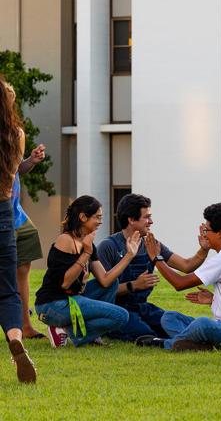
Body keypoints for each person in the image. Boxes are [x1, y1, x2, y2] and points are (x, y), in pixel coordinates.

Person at [136, 203, 221, 352]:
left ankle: (165, 344)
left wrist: (156, 258)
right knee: (169, 317)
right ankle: (199, 345)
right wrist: (215, 300)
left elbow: (180, 283)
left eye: (207, 230)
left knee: (202, 323)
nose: (204, 234)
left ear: (220, 233)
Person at [97, 193, 210, 341]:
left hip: (142, 307)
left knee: (171, 323)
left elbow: (186, 265)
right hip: (117, 310)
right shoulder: (108, 246)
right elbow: (102, 291)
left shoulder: (151, 244)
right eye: (147, 217)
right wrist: (134, 285)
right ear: (131, 219)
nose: (151, 221)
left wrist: (204, 249)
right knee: (147, 334)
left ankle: (204, 338)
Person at [35, 195, 141, 347]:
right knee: (121, 316)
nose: (100, 221)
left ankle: (70, 329)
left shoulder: (88, 244)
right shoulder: (65, 240)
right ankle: (72, 332)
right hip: (53, 304)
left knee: (112, 284)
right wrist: (86, 253)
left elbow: (105, 280)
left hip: (73, 300)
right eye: (97, 217)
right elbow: (65, 283)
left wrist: (129, 255)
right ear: (83, 217)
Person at [0, 77, 37, 383]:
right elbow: (12, 174)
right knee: (8, 291)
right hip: (3, 216)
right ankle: (15, 338)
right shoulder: (16, 134)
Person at [4, 81, 47, 339]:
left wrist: (30, 161)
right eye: (7, 99)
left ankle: (25, 326)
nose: (10, 104)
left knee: (23, 270)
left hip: (17, 215)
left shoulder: (15, 133)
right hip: (3, 216)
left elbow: (15, 170)